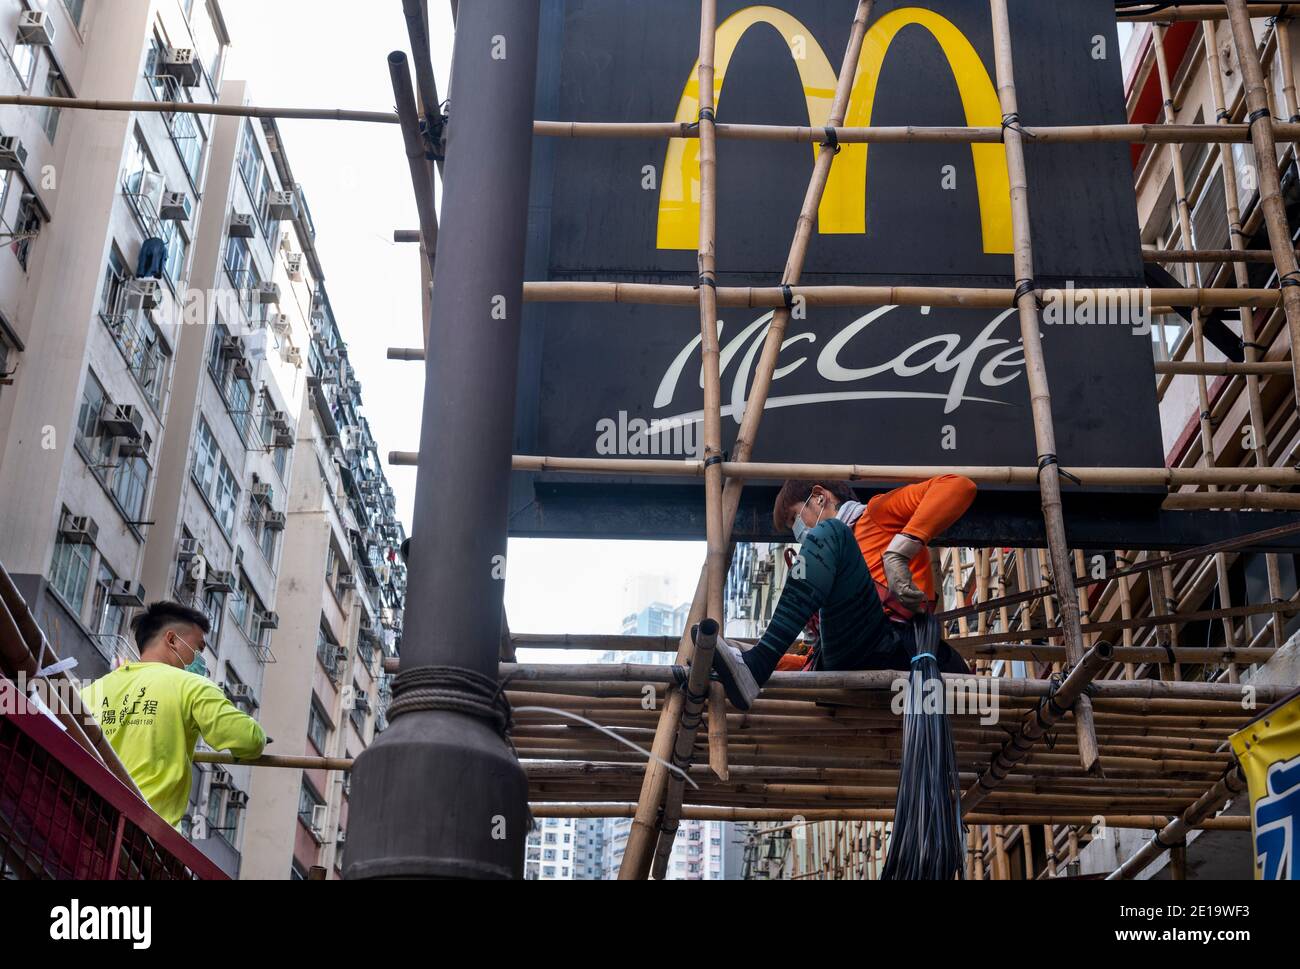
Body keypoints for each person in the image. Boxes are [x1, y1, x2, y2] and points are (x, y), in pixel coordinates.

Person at [710, 475, 977, 710]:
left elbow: (959, 486)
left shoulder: (875, 516)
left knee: (832, 531)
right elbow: (825, 648)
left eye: (795, 518)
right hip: (850, 655)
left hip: (895, 644)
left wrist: (900, 550)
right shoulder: (823, 562)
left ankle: (759, 662)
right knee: (744, 651)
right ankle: (757, 659)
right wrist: (740, 653)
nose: (798, 532)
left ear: (819, 497)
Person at [80, 601, 266, 826]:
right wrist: (260, 735)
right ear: (172, 640)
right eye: (198, 648)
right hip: (145, 835)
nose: (200, 659)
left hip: (84, 820)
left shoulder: (90, 692)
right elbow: (249, 741)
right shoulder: (193, 686)